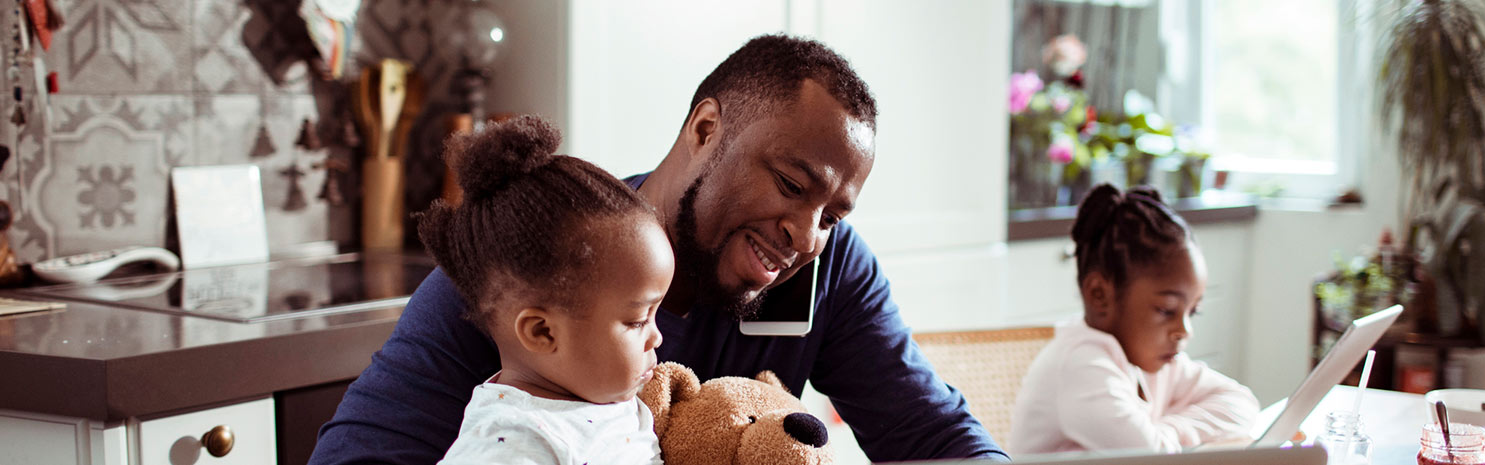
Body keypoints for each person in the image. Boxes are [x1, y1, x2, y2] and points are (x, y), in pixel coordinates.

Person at [310, 34, 1007, 464]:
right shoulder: (532, 263)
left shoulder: (831, 269)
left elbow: (934, 435)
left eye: (833, 213)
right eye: (792, 184)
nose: (807, 235)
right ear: (706, 128)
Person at [421, 116, 671, 464]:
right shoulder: (511, 445)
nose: (656, 337)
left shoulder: (608, 398)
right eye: (637, 321)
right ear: (543, 332)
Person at [1009, 184, 1258, 454]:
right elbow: (1152, 456)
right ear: (1099, 294)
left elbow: (1242, 403)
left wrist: (1170, 430)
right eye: (1166, 310)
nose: (1184, 331)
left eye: (1192, 312)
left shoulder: (1152, 360)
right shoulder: (1080, 365)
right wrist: (1168, 437)